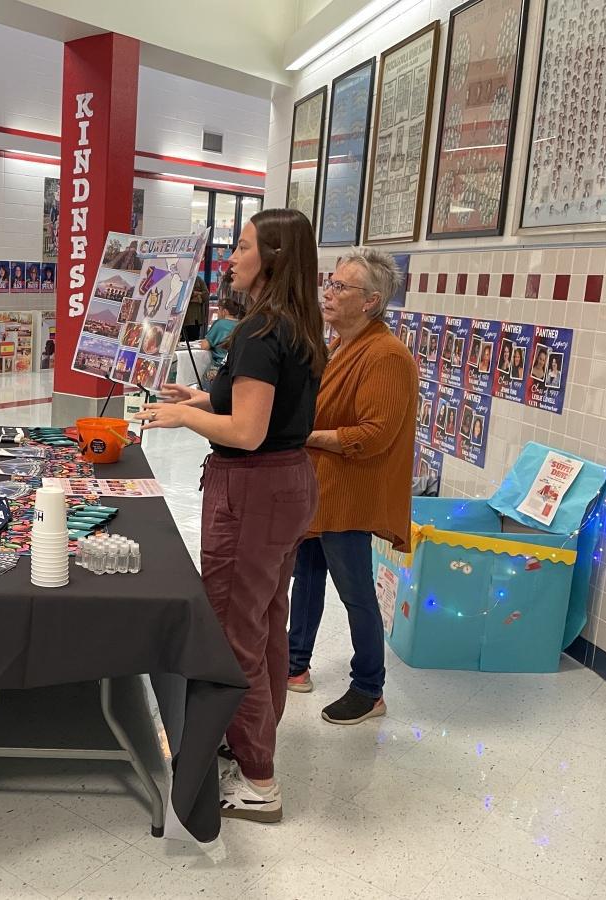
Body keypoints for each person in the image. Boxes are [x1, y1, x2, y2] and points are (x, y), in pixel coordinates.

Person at [135, 208, 325, 824]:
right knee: (266, 621)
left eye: (242, 247)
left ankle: (258, 779)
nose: (231, 258)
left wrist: (184, 418)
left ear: (270, 257)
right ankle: (250, 742)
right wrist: (199, 397)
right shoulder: (291, 324)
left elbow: (246, 430)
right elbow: (254, 403)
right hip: (287, 485)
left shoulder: (257, 331)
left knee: (233, 632)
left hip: (253, 490)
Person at [286, 248, 418, 728]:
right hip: (319, 489)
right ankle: (294, 663)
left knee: (356, 592)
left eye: (342, 287)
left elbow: (373, 434)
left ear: (371, 301)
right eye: (331, 282)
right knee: (307, 578)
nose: (329, 292)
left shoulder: (386, 356)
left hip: (350, 494)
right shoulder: (339, 344)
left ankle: (369, 687)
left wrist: (305, 436)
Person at [200, 282, 247, 383]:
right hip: (236, 369)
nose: (217, 313)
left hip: (219, 368)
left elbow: (204, 346)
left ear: (224, 311)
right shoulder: (241, 324)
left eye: (219, 310)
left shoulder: (220, 324)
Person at [182, 276, 208, 342]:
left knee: (193, 342)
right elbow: (183, 295)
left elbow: (206, 295)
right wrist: (197, 295)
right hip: (181, 319)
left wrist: (194, 294)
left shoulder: (198, 279)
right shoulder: (181, 277)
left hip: (195, 319)